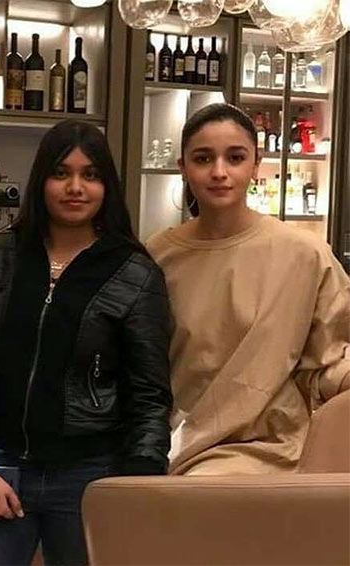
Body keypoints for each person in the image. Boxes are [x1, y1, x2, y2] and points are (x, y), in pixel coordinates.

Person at [0, 119, 172, 566]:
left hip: (92, 475)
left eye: (90, 175)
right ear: (41, 181)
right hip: (0, 465)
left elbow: (149, 395)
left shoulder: (134, 272)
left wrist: (137, 487)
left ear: (107, 186)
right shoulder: (4, 253)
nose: (75, 187)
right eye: (61, 173)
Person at [146, 103, 350, 476]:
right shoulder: (157, 256)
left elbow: (330, 360)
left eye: (235, 158)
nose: (219, 172)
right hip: (173, 442)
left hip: (273, 448)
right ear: (182, 167)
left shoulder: (304, 255)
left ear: (256, 164)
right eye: (203, 159)